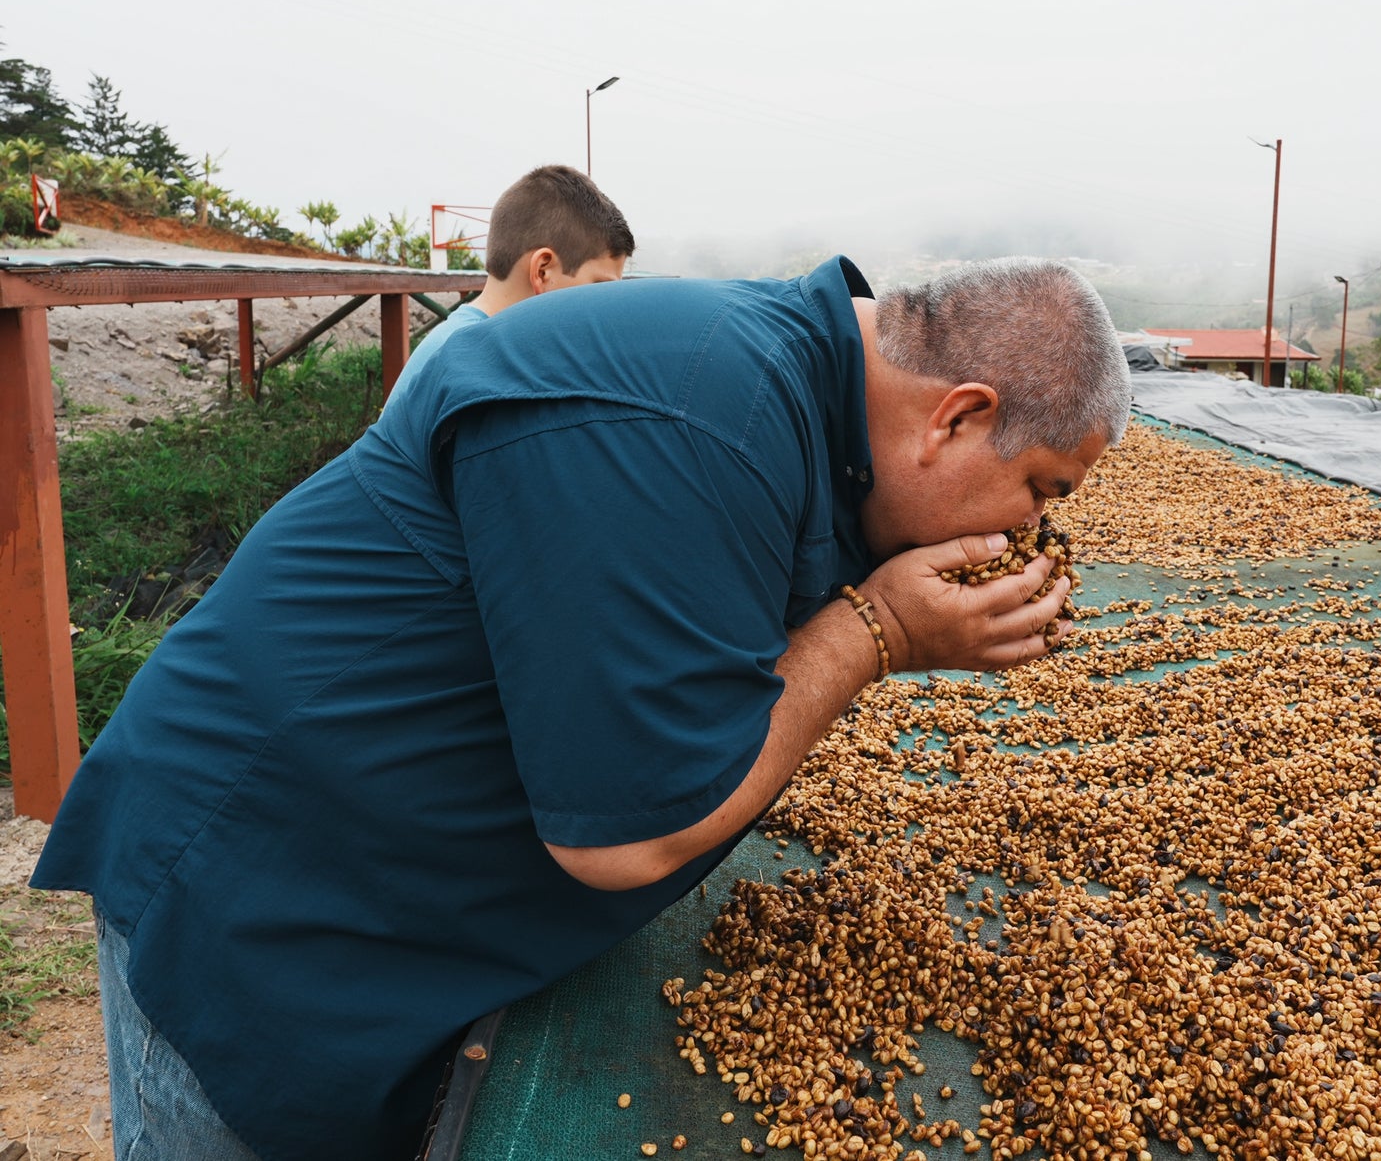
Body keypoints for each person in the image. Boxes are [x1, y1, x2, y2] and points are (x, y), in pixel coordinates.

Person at [32, 254, 1132, 1161]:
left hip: (371, 864)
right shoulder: (696, 414)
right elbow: (628, 833)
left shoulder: (789, 404)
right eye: (1040, 488)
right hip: (260, 872)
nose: (1025, 531)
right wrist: (874, 632)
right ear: (956, 415)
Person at [387, 162, 634, 406]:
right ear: (543, 271)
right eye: (601, 288)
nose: (606, 307)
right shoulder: (472, 361)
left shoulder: (471, 343)